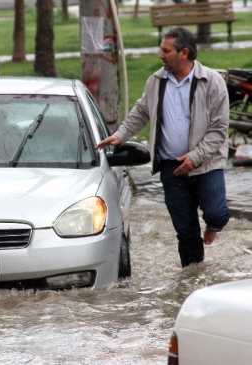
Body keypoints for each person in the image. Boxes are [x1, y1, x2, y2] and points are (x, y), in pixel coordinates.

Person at [96, 26, 231, 268]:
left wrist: (194, 157)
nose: (160, 55)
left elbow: (219, 130)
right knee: (186, 233)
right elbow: (140, 111)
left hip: (206, 165)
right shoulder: (156, 81)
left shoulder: (212, 82)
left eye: (166, 50)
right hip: (171, 169)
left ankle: (213, 226)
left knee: (216, 214)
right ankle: (193, 280)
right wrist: (120, 135)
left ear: (184, 53)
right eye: (161, 49)